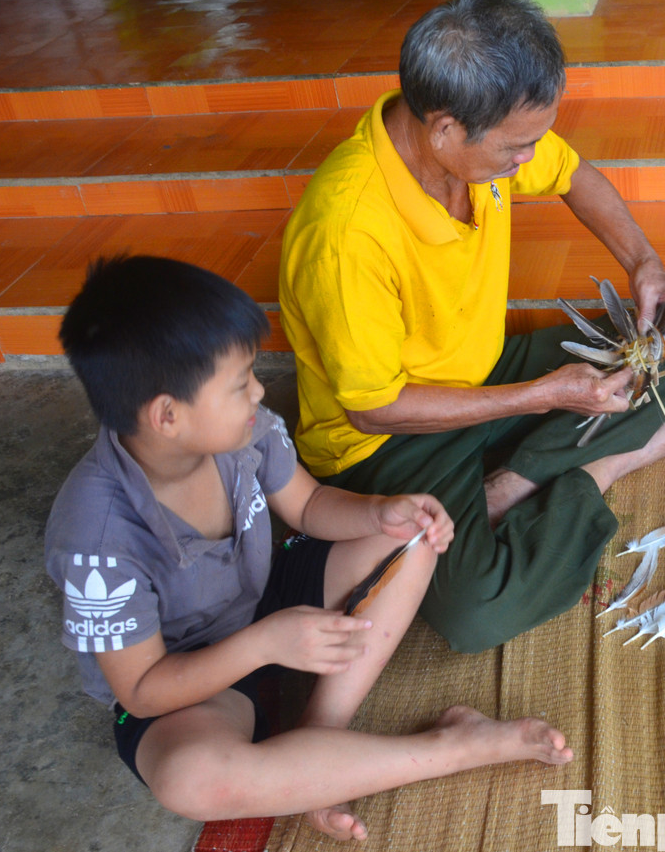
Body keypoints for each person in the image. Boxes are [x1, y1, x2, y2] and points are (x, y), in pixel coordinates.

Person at [45, 256, 573, 843]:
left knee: (413, 533)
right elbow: (143, 690)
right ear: (167, 415)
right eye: (239, 383)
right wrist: (264, 643)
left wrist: (380, 512)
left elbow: (309, 504)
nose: (259, 390)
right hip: (187, 680)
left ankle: (321, 739)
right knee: (190, 779)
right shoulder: (97, 541)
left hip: (264, 599)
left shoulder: (243, 430)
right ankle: (453, 747)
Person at [279, 0, 665, 654]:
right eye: (517, 147)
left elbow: (574, 175)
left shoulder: (481, 139)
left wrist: (643, 262)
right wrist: (543, 395)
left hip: (483, 370)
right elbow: (373, 410)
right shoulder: (345, 233)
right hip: (389, 441)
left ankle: (514, 481)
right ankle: (607, 464)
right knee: (475, 612)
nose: (528, 159)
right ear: (445, 129)